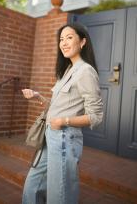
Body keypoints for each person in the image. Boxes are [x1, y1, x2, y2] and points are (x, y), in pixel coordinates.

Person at [22, 23, 103, 204]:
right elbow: (59, 106)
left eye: (69, 37)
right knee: (33, 186)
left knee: (59, 195)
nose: (64, 43)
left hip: (65, 139)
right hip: (49, 136)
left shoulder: (86, 71)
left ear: (82, 42)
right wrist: (38, 96)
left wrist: (63, 121)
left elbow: (96, 116)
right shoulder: (66, 70)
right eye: (61, 39)